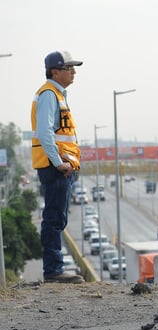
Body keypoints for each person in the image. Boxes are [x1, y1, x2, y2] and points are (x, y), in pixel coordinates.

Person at [31, 50, 85, 283]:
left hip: (60, 167)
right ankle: (53, 270)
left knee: (57, 218)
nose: (73, 72)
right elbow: (45, 134)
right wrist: (59, 163)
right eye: (68, 68)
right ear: (55, 71)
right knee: (53, 218)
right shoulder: (49, 95)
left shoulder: (58, 95)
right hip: (54, 168)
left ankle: (55, 268)